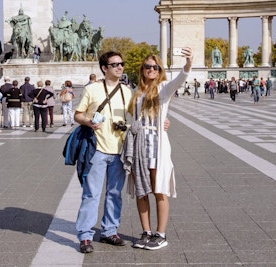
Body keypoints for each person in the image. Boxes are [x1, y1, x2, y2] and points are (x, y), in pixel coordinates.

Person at [123, 47, 193, 251]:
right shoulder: (136, 91)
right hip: (138, 145)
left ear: (160, 70)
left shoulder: (163, 88)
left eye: (155, 67)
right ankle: (146, 231)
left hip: (156, 145)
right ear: (142, 69)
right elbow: (130, 118)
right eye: (147, 67)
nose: (151, 70)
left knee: (158, 189)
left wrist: (188, 63)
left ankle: (160, 234)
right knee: (141, 191)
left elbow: (179, 80)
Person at [74, 51, 133, 254]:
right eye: (114, 64)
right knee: (91, 194)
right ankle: (85, 235)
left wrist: (162, 121)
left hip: (119, 149)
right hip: (97, 149)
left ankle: (109, 231)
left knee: (115, 194)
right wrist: (88, 122)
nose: (119, 67)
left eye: (121, 63)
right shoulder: (92, 89)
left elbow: (135, 116)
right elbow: (77, 115)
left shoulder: (127, 91)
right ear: (104, 68)